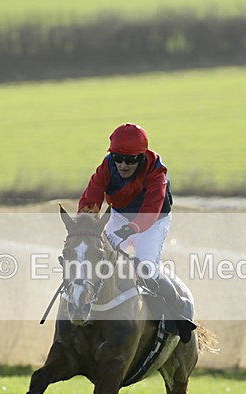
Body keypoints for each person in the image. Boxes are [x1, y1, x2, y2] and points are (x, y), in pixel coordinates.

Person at [77, 123, 196, 341]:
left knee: (146, 268)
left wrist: (128, 230)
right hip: (120, 214)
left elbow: (150, 213)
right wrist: (86, 224)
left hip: (154, 219)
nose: (123, 165)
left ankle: (180, 310)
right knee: (98, 259)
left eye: (130, 160)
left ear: (141, 158)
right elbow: (92, 196)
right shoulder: (107, 166)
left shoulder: (156, 172)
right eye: (118, 158)